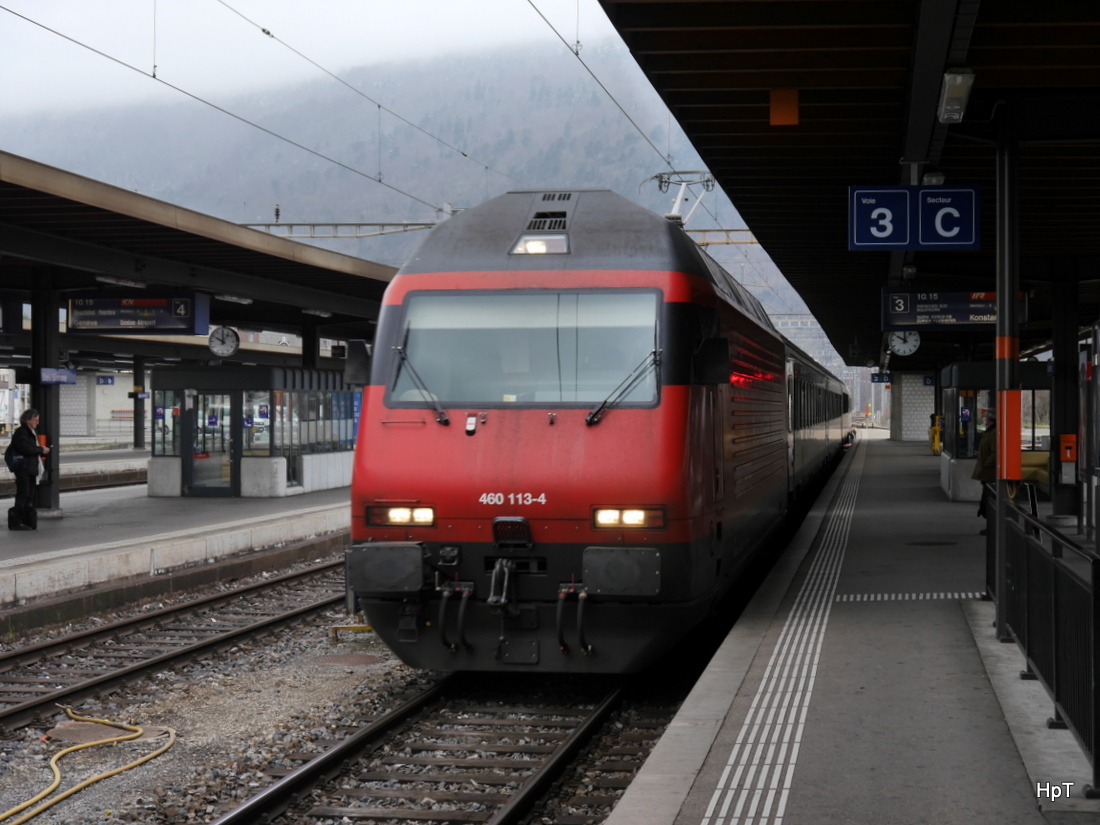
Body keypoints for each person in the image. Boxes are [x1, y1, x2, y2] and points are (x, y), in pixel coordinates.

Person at [5, 408, 50, 530]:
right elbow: (26, 449)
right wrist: (41, 449)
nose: (37, 423)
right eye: (35, 420)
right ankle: (16, 521)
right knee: (23, 495)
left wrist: (40, 450)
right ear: (27, 420)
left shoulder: (29, 432)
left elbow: (30, 449)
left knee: (29, 496)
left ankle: (24, 520)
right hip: (23, 469)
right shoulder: (21, 433)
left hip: (29, 469)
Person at [972, 409, 996, 534]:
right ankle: (991, 527)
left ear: (990, 419)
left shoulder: (994, 433)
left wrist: (985, 463)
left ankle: (992, 528)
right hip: (988, 473)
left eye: (986, 418)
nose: (984, 420)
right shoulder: (990, 432)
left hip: (990, 473)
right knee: (987, 500)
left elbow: (995, 453)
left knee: (989, 500)